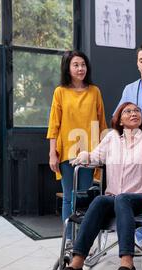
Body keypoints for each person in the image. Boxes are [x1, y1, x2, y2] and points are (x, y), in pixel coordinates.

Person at [55, 102, 142, 270]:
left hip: (141, 196)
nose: (134, 113)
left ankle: (127, 262)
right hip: (114, 197)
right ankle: (76, 264)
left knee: (123, 198)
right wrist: (85, 156)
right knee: (101, 200)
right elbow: (96, 156)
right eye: (128, 111)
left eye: (137, 111)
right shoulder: (111, 138)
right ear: (119, 120)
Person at [47, 50, 107, 243]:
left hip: (90, 152)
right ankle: (70, 238)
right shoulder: (60, 92)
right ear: (68, 67)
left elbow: (102, 121)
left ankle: (83, 239)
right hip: (67, 151)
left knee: (86, 197)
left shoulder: (94, 91)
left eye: (83, 64)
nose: (81, 68)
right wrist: (52, 153)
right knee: (69, 197)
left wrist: (105, 149)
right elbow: (54, 125)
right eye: (76, 65)